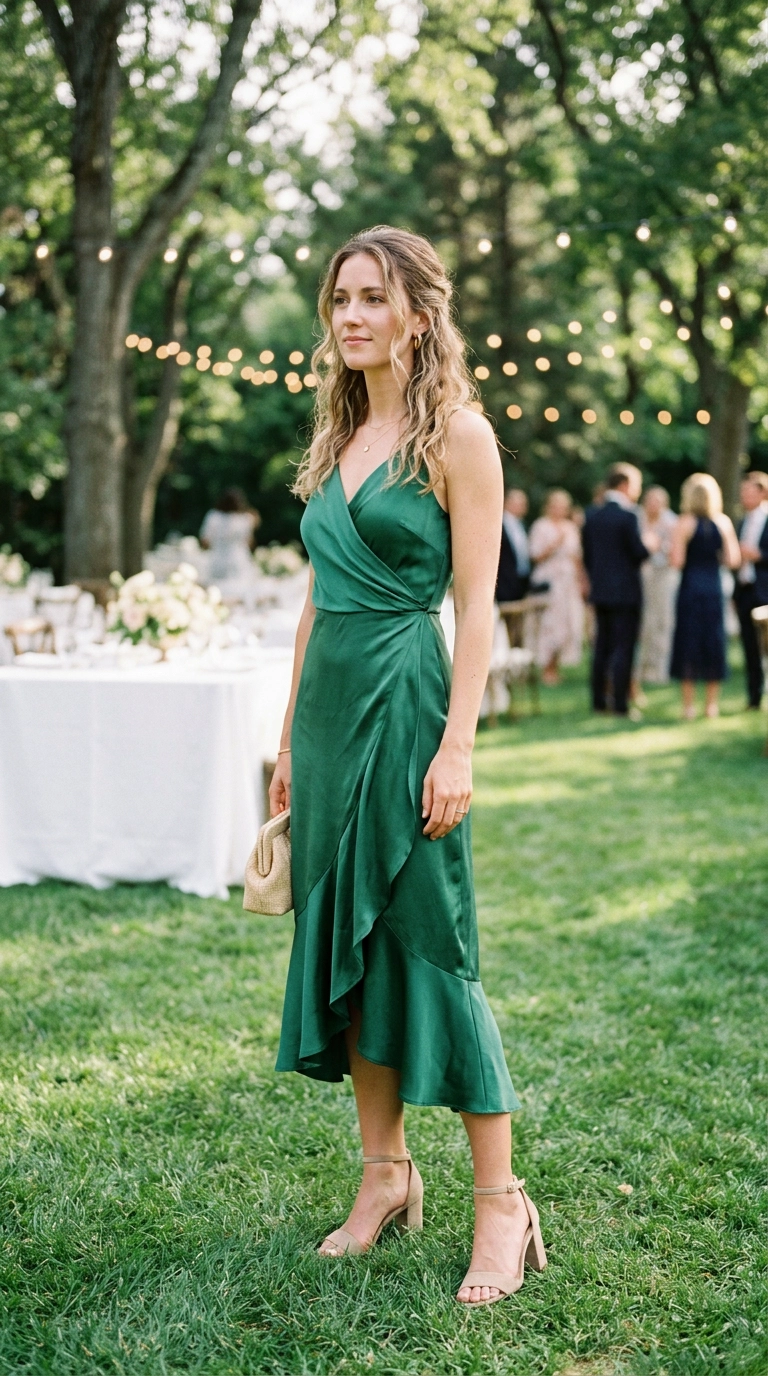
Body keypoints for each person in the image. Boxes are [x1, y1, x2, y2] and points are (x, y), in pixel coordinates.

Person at [269, 226, 546, 1307]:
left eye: (373, 298)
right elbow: (313, 599)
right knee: (345, 934)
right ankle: (384, 1172)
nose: (351, 316)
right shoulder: (339, 430)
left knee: (432, 937)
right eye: (340, 297)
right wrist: (290, 740)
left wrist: (460, 742)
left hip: (409, 699)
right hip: (332, 717)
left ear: (418, 315)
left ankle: (500, 1200)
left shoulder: (460, 435)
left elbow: (476, 603)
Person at [670, 473, 741, 718]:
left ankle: (688, 706)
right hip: (714, 588)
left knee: (688, 641)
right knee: (713, 642)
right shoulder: (723, 523)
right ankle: (711, 705)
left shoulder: (684, 523)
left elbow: (676, 561)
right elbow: (734, 559)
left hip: (690, 587)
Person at [582, 463, 649, 716]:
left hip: (600, 592)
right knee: (624, 648)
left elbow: (587, 557)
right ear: (625, 485)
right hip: (626, 594)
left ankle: (598, 701)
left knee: (601, 647)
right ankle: (620, 704)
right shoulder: (629, 516)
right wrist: (650, 545)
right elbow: (638, 553)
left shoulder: (592, 515)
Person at [528, 489, 585, 685]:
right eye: (556, 506)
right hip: (550, 581)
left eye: (563, 507)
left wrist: (581, 581)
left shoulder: (570, 527)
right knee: (550, 624)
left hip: (568, 583)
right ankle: (547, 668)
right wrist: (555, 544)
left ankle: (557, 665)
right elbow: (535, 556)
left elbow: (576, 557)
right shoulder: (540, 526)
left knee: (569, 623)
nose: (559, 510)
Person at [637, 486, 679, 685]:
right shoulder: (638, 518)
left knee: (662, 620)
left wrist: (659, 546)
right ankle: (641, 668)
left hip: (664, 575)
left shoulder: (671, 522)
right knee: (644, 621)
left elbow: (676, 552)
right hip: (642, 574)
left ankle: (660, 668)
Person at [734, 470, 768, 709]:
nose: (745, 496)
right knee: (749, 646)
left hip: (765, 591)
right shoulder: (742, 521)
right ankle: (754, 697)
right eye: (743, 491)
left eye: (750, 491)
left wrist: (759, 555)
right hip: (745, 590)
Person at [199, 487, 261, 586]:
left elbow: (204, 541)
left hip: (217, 559)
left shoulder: (213, 517)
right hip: (239, 560)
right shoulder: (244, 519)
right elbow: (250, 542)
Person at [495, 488, 530, 603]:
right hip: (504, 581)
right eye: (520, 503)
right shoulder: (499, 523)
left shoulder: (522, 525)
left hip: (521, 579)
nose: (524, 507)